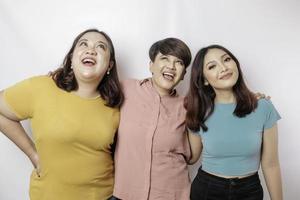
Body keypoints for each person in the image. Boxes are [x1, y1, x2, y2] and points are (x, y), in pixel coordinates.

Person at [0, 29, 124, 200]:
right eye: (84, 44)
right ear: (72, 58)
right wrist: (32, 154)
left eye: (101, 47)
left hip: (104, 196)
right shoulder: (42, 88)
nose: (91, 50)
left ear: (109, 65)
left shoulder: (118, 103)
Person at [185, 45, 283, 200]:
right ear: (204, 79)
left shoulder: (263, 107)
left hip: (249, 191)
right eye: (212, 66)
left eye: (227, 59)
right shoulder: (198, 112)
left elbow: (271, 164)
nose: (223, 68)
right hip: (207, 189)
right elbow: (191, 158)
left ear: (235, 64)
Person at [112, 38, 192, 200]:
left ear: (183, 74)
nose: (171, 66)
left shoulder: (188, 107)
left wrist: (247, 98)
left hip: (171, 194)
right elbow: (90, 88)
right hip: (125, 193)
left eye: (179, 62)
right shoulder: (125, 89)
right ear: (151, 65)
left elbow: (192, 156)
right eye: (165, 58)